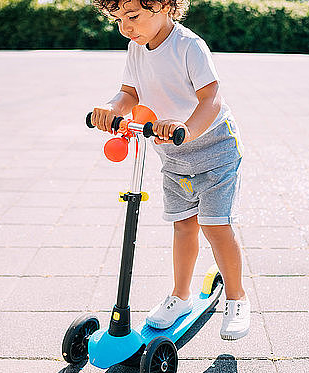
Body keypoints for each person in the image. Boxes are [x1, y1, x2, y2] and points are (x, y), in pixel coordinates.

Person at [89, 0, 249, 340]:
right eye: (118, 19)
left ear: (164, 5)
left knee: (215, 226)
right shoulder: (136, 49)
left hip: (213, 146)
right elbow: (128, 93)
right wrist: (110, 108)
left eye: (132, 16)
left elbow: (212, 99)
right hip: (173, 153)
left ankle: (237, 299)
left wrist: (188, 128)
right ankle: (180, 296)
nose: (125, 27)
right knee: (183, 226)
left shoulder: (189, 47)